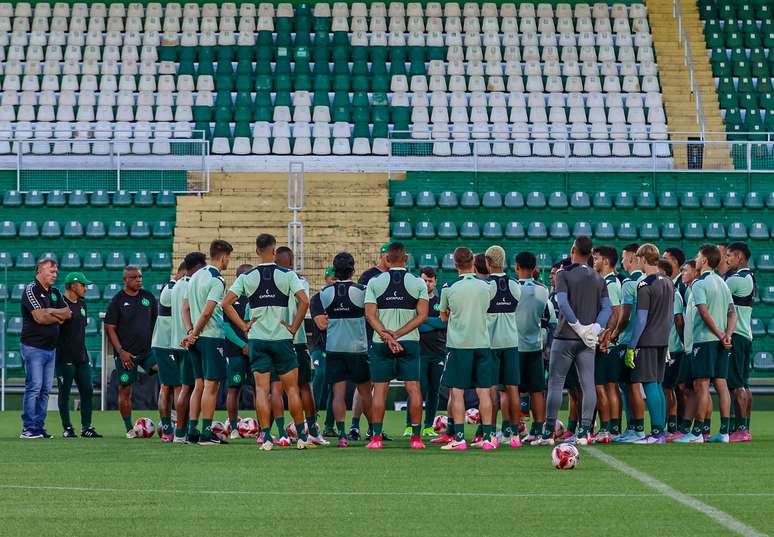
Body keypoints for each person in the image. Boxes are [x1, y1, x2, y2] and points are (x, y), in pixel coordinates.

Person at [222, 234, 314, 450]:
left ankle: (265, 437)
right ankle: (302, 437)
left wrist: (244, 326)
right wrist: (294, 327)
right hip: (282, 338)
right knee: (292, 389)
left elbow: (225, 303)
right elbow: (304, 301)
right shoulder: (287, 275)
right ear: (274, 251)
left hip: (258, 339)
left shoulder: (247, 277)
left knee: (262, 390)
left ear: (256, 251)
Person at [535, 236, 611, 446]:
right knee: (588, 384)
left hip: (565, 336)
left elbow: (562, 302)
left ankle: (548, 433)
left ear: (573, 250)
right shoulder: (598, 278)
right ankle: (585, 432)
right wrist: (594, 329)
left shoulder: (563, 273)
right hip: (587, 340)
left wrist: (577, 326)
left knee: (556, 383)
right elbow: (607, 308)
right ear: (591, 253)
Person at [364, 241, 428, 450]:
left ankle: (376, 439)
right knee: (414, 389)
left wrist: (387, 337)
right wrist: (398, 335)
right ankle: (416, 439)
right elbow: (422, 316)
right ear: (406, 258)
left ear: (387, 259)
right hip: (409, 342)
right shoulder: (418, 282)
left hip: (381, 343)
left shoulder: (375, 282)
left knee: (379, 391)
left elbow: (369, 315)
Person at [674, 245, 736, 444]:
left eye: (698, 256)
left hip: (705, 340)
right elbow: (732, 312)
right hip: (721, 341)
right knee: (721, 384)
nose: (696, 259)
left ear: (705, 260)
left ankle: (697, 433)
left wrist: (719, 334)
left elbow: (703, 312)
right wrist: (727, 335)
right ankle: (724, 432)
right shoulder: (722, 282)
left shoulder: (700, 283)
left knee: (701, 385)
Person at [438, 247, 497, 451]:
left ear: (455, 264)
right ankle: (488, 438)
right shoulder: (487, 286)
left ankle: (460, 438)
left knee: (457, 392)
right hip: (482, 343)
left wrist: (454, 315)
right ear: (473, 262)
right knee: (484, 392)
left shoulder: (449, 287)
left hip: (459, 345)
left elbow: (443, 315)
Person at [314, 252, 373, 448]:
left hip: (334, 348)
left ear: (334, 270)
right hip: (357, 349)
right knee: (365, 392)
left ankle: (341, 435)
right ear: (353, 269)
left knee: (337, 394)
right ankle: (374, 431)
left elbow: (319, 319)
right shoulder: (362, 291)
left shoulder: (324, 293)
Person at [182, 240, 233, 445]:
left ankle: (192, 431)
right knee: (211, 385)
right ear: (223, 257)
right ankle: (206, 432)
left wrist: (190, 332)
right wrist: (194, 333)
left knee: (199, 384)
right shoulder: (217, 279)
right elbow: (207, 312)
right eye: (229, 258)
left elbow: (185, 308)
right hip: (211, 337)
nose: (229, 262)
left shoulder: (194, 276)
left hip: (195, 338)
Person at [623, 244, 675, 444]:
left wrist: (631, 346)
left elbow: (641, 319)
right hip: (663, 339)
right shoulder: (668, 281)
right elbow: (670, 316)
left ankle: (656, 432)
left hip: (647, 340)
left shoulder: (645, 284)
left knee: (649, 383)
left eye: (638, 258)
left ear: (643, 259)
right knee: (658, 384)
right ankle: (660, 431)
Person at [275, 246, 326, 445]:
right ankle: (311, 430)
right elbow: (303, 304)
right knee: (304, 386)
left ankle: (279, 433)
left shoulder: (269, 280)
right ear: (292, 261)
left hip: (276, 339)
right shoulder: (300, 281)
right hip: (297, 340)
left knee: (276, 388)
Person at [20, 259, 72, 439]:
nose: (55, 275)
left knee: (45, 390)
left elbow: (68, 313)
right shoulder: (31, 290)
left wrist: (49, 311)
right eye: (51, 271)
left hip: (51, 348)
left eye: (56, 272)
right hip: (33, 347)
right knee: (34, 387)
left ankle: (38, 427)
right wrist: (56, 315)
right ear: (39, 272)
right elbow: (40, 318)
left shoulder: (55, 292)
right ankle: (28, 428)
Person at [105, 265, 158, 438]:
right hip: (126, 355)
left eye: (140, 277)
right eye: (134, 277)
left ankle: (170, 419)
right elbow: (110, 328)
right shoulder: (117, 300)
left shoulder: (148, 297)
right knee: (125, 389)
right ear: (126, 280)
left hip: (147, 351)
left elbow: (156, 323)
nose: (139, 280)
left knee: (166, 371)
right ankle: (129, 428)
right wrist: (120, 351)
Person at [483, 245, 522, 448]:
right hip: (511, 342)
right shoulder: (515, 285)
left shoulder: (485, 286)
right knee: (512, 388)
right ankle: (515, 435)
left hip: (491, 343)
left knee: (491, 389)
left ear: (488, 262)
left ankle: (490, 435)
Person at [352, 242, 391, 440]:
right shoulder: (369, 276)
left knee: (378, 383)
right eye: (386, 255)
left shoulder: (396, 277)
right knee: (365, 383)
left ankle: (372, 428)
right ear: (381, 256)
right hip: (370, 334)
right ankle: (356, 425)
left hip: (386, 334)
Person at [404, 266, 446, 438]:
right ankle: (410, 426)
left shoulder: (440, 301)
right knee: (417, 389)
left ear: (435, 282)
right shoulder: (415, 301)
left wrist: (423, 319)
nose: (427, 283)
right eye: (424, 280)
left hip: (438, 352)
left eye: (430, 281)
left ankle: (428, 426)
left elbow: (444, 323)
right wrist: (431, 322)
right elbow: (415, 325)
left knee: (434, 390)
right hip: (419, 352)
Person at [515, 252, 552, 444]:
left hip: (514, 345)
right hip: (535, 345)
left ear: (517, 267)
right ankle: (538, 429)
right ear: (535, 268)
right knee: (537, 390)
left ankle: (512, 429)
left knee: (511, 390)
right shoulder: (543, 290)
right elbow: (547, 317)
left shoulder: (513, 288)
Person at [56, 272, 99, 438]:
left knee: (87, 390)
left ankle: (86, 427)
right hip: (64, 357)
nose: (85, 288)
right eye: (83, 285)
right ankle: (67, 428)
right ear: (73, 286)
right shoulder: (60, 304)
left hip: (81, 356)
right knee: (64, 393)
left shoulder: (82, 304)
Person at [609, 243, 644, 442]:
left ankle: (636, 429)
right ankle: (635, 428)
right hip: (644, 340)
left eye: (623, 257)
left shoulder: (629, 282)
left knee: (631, 386)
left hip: (628, 339)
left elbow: (625, 315)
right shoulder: (648, 280)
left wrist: (614, 333)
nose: (622, 261)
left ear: (631, 258)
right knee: (632, 385)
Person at [172, 252, 206, 443]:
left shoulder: (176, 286)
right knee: (194, 387)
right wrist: (192, 333)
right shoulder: (193, 284)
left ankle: (180, 432)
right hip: (191, 341)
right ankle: (187, 430)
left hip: (176, 341)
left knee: (184, 387)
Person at [150, 262, 186, 442]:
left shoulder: (171, 288)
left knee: (170, 386)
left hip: (167, 344)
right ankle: (175, 429)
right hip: (167, 344)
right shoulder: (172, 289)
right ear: (183, 274)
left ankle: (171, 429)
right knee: (175, 386)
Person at [591, 245, 623, 442]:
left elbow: (616, 312)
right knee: (611, 386)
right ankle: (614, 429)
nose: (594, 262)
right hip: (610, 342)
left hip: (605, 342)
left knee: (601, 386)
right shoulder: (611, 282)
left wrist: (607, 335)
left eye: (596, 259)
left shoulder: (609, 284)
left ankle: (605, 430)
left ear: (605, 261)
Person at [724, 242, 755, 442]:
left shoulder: (736, 279)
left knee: (735, 385)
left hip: (736, 334)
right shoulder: (749, 277)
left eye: (729, 256)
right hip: (746, 334)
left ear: (740, 257)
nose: (726, 260)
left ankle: (741, 429)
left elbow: (716, 294)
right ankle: (743, 427)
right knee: (743, 384)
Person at [225, 263, 254, 440]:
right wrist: (243, 345)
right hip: (235, 352)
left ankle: (263, 428)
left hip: (255, 350)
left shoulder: (256, 297)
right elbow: (225, 327)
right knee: (234, 388)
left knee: (259, 388)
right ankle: (234, 428)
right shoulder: (230, 299)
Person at [658, 258, 685, 437]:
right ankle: (671, 424)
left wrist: (681, 341)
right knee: (667, 387)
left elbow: (678, 320)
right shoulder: (668, 291)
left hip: (673, 348)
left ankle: (673, 426)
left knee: (669, 388)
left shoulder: (673, 293)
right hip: (667, 347)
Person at [310, 266, 337, 437]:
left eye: (336, 279)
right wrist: (339, 319)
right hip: (319, 346)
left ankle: (329, 425)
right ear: (326, 279)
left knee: (335, 385)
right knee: (320, 374)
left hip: (336, 347)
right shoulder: (318, 298)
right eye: (331, 279)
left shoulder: (341, 298)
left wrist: (330, 319)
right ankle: (312, 416)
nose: (334, 282)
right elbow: (322, 325)